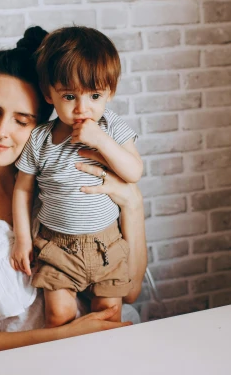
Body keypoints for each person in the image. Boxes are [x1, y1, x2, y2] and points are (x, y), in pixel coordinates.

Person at [0, 27, 148, 361]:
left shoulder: (76, 183)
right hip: (30, 372)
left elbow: (130, 292)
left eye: (22, 120)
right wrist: (61, 337)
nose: (1, 131)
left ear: (42, 128)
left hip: (111, 353)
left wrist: (132, 201)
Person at [10, 27, 143, 328]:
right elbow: (22, 190)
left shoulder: (111, 127)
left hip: (107, 243)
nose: (83, 108)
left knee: (109, 311)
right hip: (58, 246)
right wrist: (21, 239)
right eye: (70, 96)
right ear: (49, 95)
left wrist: (102, 142)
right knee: (58, 316)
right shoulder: (41, 139)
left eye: (94, 95)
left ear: (110, 92)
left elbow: (134, 171)